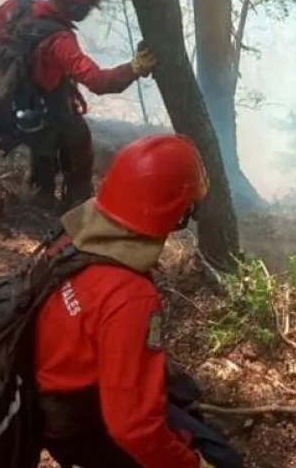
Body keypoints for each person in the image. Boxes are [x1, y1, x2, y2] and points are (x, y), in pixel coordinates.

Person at [34, 134, 242, 468]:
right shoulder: (131, 296)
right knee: (225, 461)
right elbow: (133, 428)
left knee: (181, 389)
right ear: (172, 212)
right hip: (81, 425)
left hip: (51, 397)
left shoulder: (73, 239)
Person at [0, 0, 157, 211]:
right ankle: (75, 203)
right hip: (38, 113)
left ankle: (41, 195)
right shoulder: (60, 41)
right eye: (87, 7)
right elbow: (98, 82)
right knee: (77, 138)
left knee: (45, 132)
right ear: (77, 6)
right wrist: (135, 67)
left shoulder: (14, 8)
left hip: (2, 104)